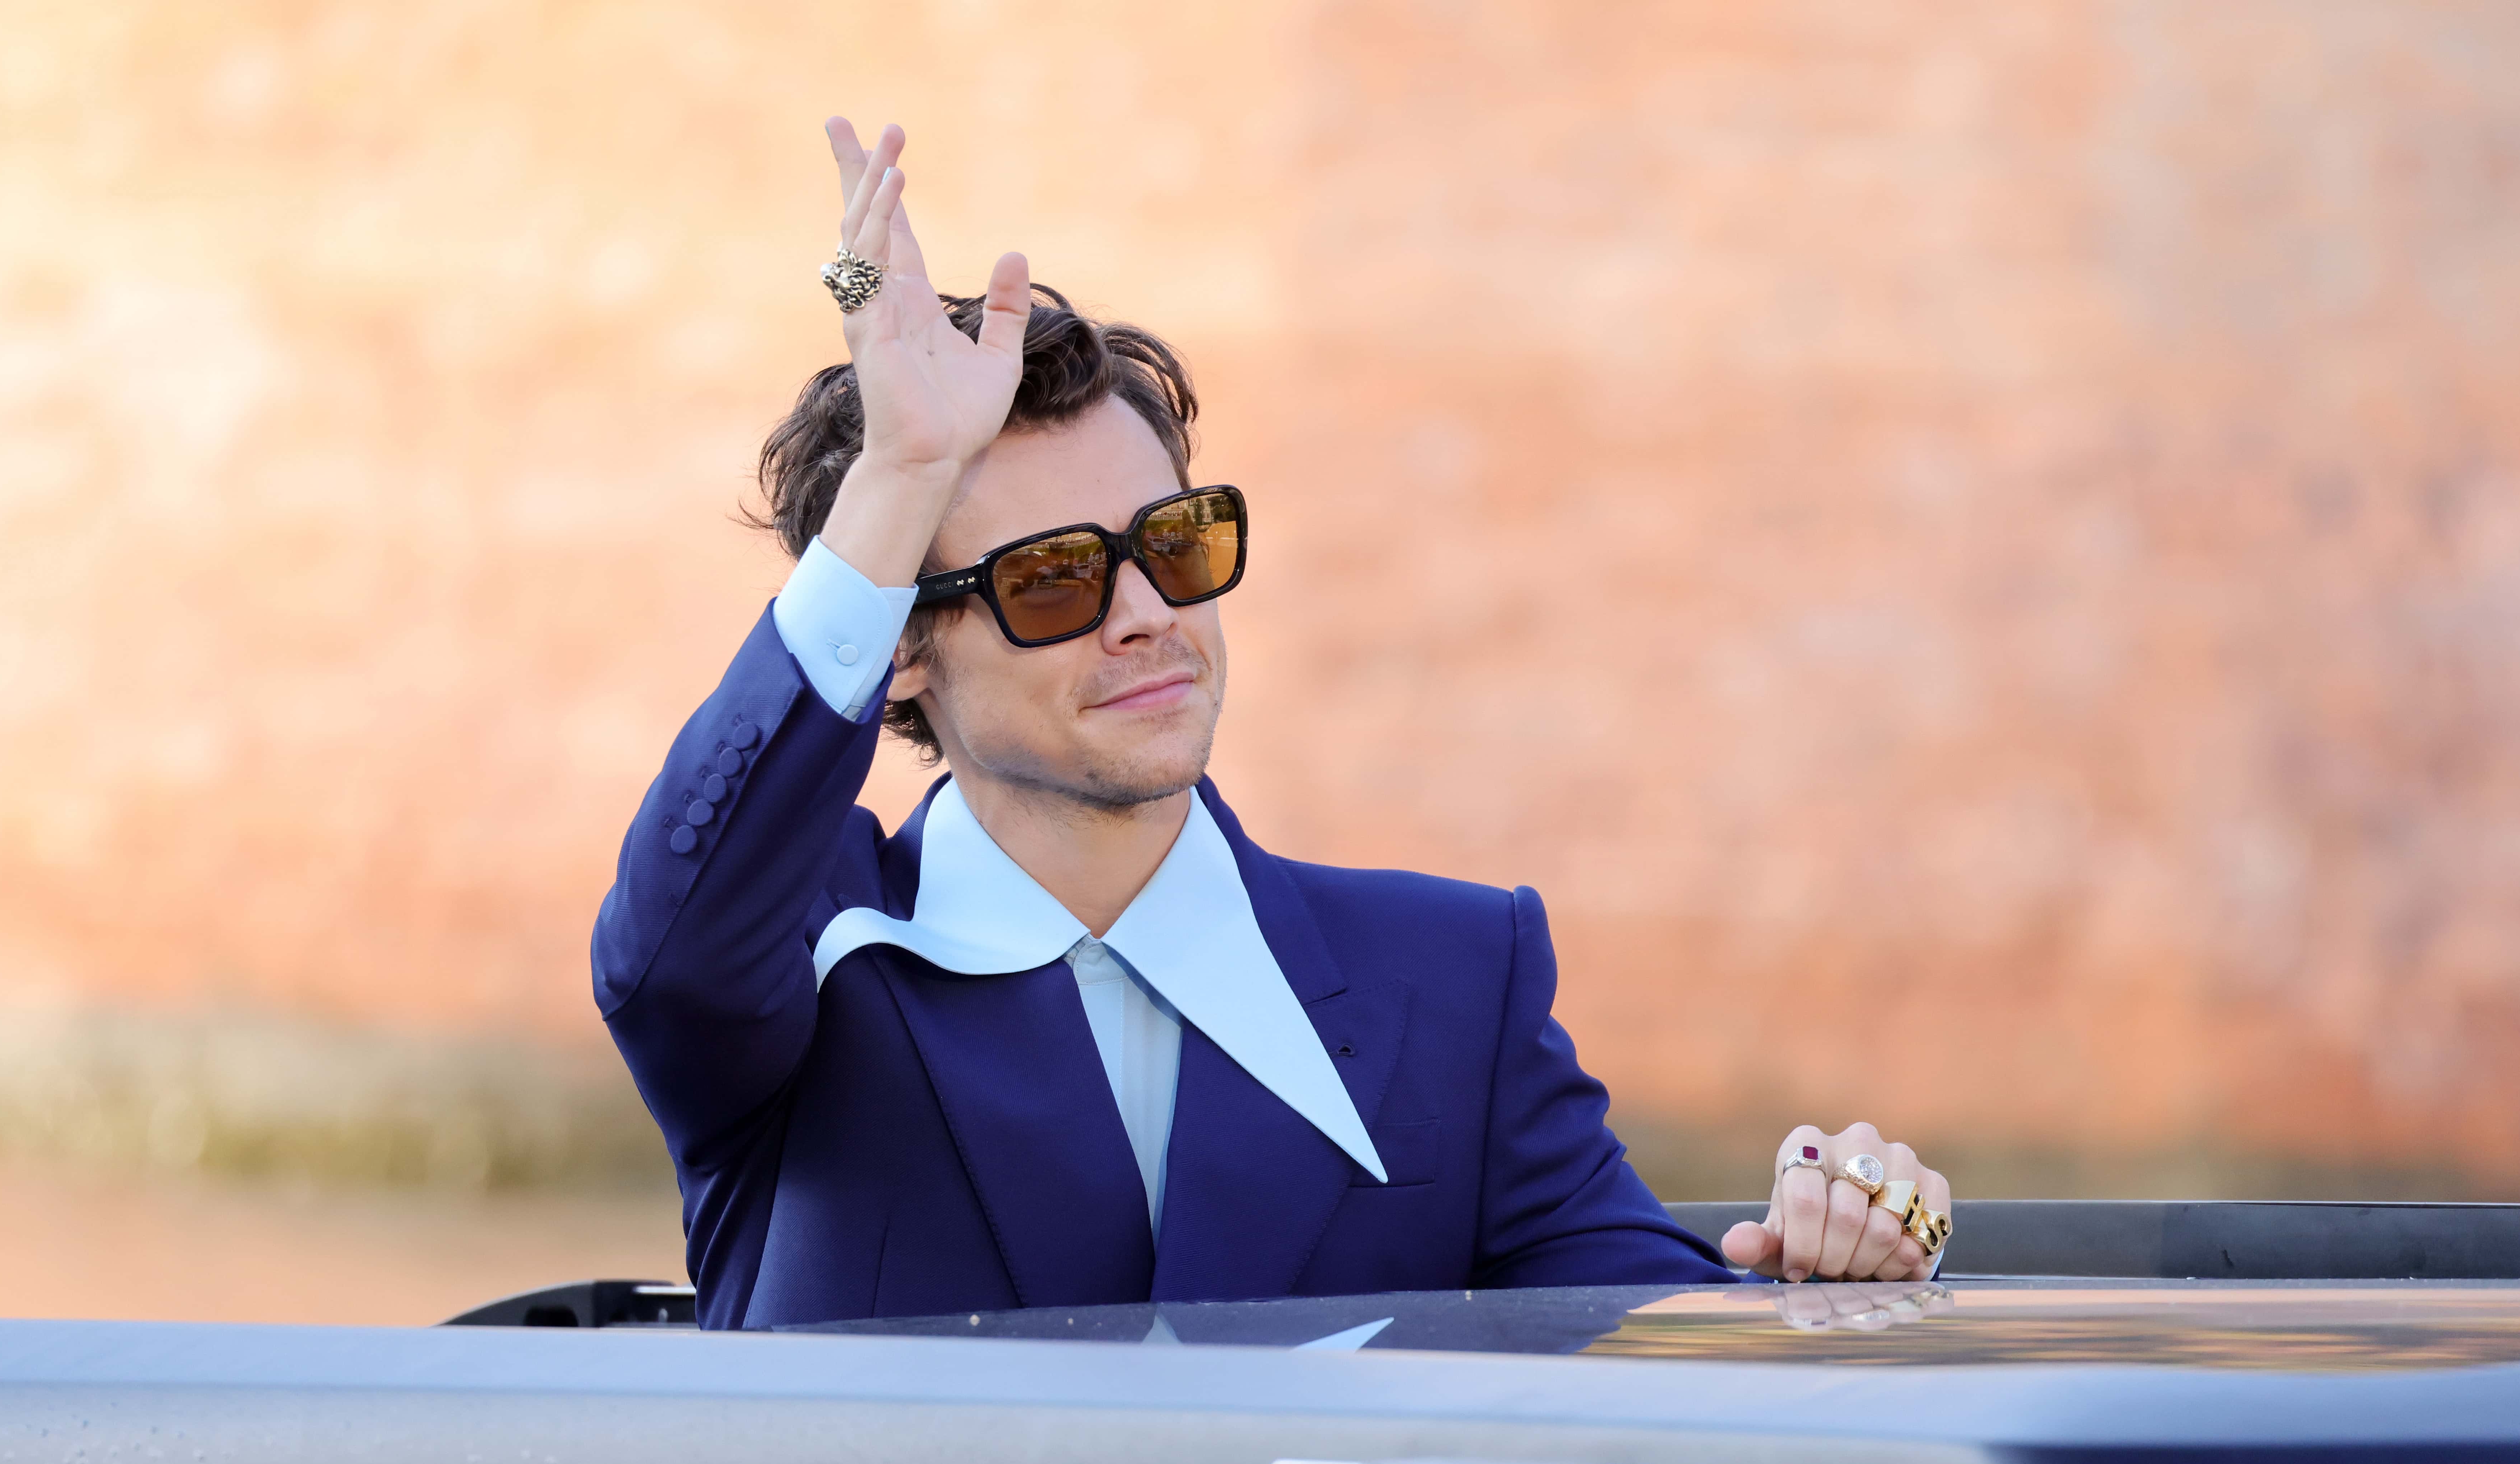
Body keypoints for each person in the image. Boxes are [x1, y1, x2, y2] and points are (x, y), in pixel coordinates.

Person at [593, 121, 1954, 1331]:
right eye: (1055, 577)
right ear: (901, 647)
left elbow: (1649, 1350)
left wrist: (1838, 1272)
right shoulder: (801, 951)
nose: (1146, 616)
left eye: (1174, 543)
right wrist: (900, 472)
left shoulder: (1450, 979)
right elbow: (670, 947)